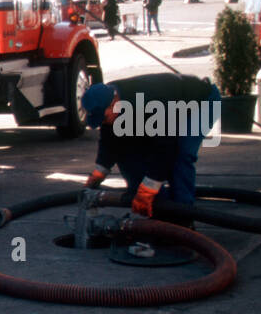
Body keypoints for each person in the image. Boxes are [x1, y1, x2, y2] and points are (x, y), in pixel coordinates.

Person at [78, 74, 221, 219]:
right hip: (170, 112)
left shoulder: (147, 100)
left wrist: (149, 187)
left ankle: (184, 218)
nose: (104, 123)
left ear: (114, 102)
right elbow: (110, 140)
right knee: (127, 156)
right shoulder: (108, 99)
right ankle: (160, 213)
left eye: (105, 118)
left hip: (201, 103)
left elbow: (165, 146)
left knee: (181, 155)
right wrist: (100, 171)